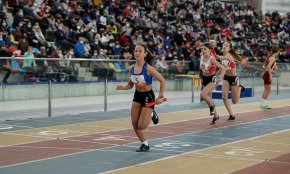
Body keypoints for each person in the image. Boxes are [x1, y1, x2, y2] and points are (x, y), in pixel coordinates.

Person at [116, 43, 166, 152]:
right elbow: (130, 85)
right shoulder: (132, 68)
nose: (137, 53)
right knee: (134, 123)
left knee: (142, 126)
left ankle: (152, 113)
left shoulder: (149, 68)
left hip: (148, 96)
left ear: (145, 54)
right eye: (135, 51)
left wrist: (160, 96)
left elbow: (162, 80)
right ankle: (145, 144)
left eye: (140, 51)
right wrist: (122, 87)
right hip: (137, 95)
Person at [218, 41, 245, 121]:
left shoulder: (229, 56)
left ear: (229, 48)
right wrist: (215, 75)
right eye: (223, 45)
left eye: (226, 45)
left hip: (234, 78)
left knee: (234, 101)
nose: (224, 46)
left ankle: (240, 87)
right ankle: (231, 115)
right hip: (226, 77)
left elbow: (224, 58)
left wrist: (216, 56)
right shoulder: (223, 56)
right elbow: (222, 67)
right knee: (224, 97)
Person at [199, 42, 226, 124]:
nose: (203, 51)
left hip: (212, 79)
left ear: (209, 50)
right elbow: (202, 67)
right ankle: (216, 116)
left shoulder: (212, 59)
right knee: (208, 99)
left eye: (204, 49)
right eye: (202, 49)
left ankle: (212, 106)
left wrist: (220, 77)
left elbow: (223, 68)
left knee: (203, 94)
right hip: (205, 78)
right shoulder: (201, 56)